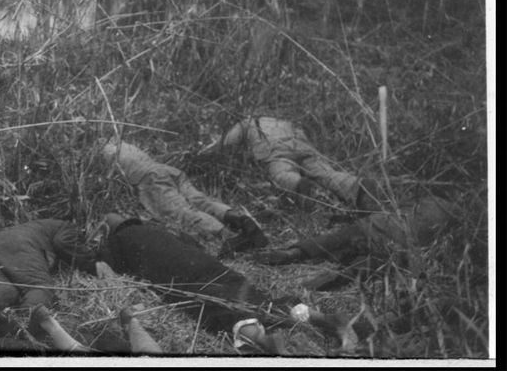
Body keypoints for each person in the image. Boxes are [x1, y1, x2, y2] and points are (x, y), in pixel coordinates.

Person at [97, 213, 374, 354]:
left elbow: (111, 271)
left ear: (108, 230)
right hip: (205, 264)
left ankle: (261, 339)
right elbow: (191, 242)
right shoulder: (154, 229)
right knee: (249, 294)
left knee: (212, 308)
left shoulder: (116, 242)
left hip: (178, 277)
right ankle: (322, 318)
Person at [254, 194, 456, 290]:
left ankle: (293, 253)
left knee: (334, 239)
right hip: (396, 245)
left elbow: (397, 204)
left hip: (375, 224)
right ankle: (341, 274)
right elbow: (430, 250)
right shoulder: (453, 221)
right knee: (371, 263)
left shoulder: (428, 198)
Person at [101, 140, 268, 252]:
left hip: (149, 176)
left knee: (181, 211)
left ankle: (229, 237)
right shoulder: (118, 140)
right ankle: (238, 218)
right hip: (166, 169)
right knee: (202, 201)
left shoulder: (96, 151)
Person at [200, 116, 377, 210]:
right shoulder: (287, 122)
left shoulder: (248, 121)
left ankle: (298, 185)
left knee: (281, 174)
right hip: (302, 147)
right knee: (326, 173)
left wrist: (203, 153)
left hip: (276, 151)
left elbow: (225, 144)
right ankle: (355, 185)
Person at [0, 218, 97, 312]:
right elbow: (63, 242)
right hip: (19, 243)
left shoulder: (39, 226)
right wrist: (93, 265)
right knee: (41, 288)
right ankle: (24, 327)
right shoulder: (67, 227)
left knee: (3, 290)